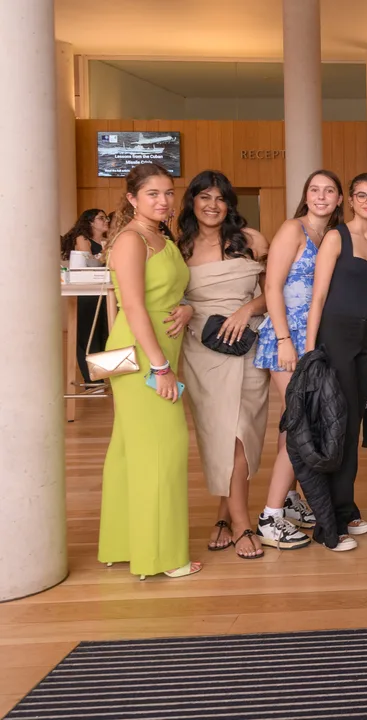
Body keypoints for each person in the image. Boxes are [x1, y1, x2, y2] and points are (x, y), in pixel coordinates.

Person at [97, 163, 200, 580]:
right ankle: (163, 556)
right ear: (132, 198)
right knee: (164, 450)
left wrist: (188, 308)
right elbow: (134, 306)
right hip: (144, 356)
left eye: (168, 193)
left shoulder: (161, 236)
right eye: (153, 194)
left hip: (159, 349)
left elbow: (173, 292)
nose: (163, 200)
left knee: (130, 450)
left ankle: (123, 543)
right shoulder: (130, 239)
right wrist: (160, 366)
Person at [174, 170, 271, 560]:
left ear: (230, 204)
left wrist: (246, 309)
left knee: (241, 431)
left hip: (246, 344)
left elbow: (276, 290)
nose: (212, 205)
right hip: (202, 350)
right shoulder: (178, 248)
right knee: (219, 434)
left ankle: (229, 515)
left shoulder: (251, 240)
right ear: (192, 202)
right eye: (204, 197)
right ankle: (237, 519)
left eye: (220, 198)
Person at [253, 169, 344, 551]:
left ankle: (289, 500)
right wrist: (284, 338)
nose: (321, 196)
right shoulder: (294, 229)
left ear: (340, 199)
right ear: (306, 195)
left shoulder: (331, 236)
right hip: (285, 337)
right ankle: (270, 517)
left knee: (292, 426)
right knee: (299, 427)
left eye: (329, 191)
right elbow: (272, 286)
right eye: (314, 190)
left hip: (312, 340)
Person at [305, 172, 367, 550]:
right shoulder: (337, 236)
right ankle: (328, 525)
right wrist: (309, 351)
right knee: (333, 429)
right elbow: (318, 296)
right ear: (350, 200)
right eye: (362, 195)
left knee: (351, 427)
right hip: (334, 336)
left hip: (363, 341)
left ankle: (346, 509)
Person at [61, 208, 110, 383]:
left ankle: (102, 375)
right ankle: (92, 380)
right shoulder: (82, 239)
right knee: (88, 335)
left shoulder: (106, 241)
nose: (106, 221)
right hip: (88, 292)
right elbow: (89, 262)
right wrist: (106, 256)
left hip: (104, 292)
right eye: (101, 218)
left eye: (106, 218)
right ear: (90, 222)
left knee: (104, 334)